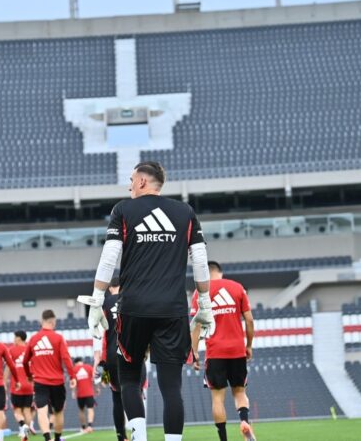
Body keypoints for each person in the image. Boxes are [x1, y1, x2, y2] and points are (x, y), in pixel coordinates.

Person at [81, 161, 214, 441]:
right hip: (172, 310)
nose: (129, 186)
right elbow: (200, 262)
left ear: (142, 181)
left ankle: (139, 438)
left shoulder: (123, 211)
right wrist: (204, 303)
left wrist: (96, 300)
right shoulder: (185, 213)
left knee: (129, 379)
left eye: (131, 180)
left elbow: (108, 258)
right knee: (171, 386)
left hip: (133, 309)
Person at [191, 261, 257, 441]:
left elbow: (196, 325)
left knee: (218, 399)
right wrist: (248, 345)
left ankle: (223, 439)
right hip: (237, 351)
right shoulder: (237, 288)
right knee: (240, 392)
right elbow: (249, 321)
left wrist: (194, 352)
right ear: (220, 272)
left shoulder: (201, 292)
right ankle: (244, 421)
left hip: (215, 353)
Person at [92, 276, 146, 441]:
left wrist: (98, 363)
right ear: (123, 286)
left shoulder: (103, 304)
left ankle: (121, 437)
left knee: (116, 396)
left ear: (110, 289)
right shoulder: (133, 299)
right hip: (133, 354)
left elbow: (98, 335)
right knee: (136, 392)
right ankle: (138, 434)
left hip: (110, 358)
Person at [22, 310, 77, 441]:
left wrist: (29, 375)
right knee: (58, 412)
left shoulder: (33, 339)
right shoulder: (58, 338)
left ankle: (47, 438)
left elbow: (25, 361)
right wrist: (72, 376)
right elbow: (66, 358)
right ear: (52, 322)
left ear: (42, 321)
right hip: (57, 382)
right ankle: (57, 438)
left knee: (41, 410)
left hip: (40, 382)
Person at [6, 330, 36, 438]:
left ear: (18, 338)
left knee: (17, 411)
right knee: (27, 410)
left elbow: (8, 368)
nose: (13, 340)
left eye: (14, 338)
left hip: (17, 385)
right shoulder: (31, 350)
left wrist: (4, 383)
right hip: (29, 385)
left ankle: (23, 426)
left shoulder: (12, 350)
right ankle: (25, 434)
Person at [72, 357, 97, 433]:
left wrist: (73, 392)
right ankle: (90, 426)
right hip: (89, 393)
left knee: (81, 410)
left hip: (80, 394)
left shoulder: (74, 369)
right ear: (82, 361)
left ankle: (83, 427)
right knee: (90, 409)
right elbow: (94, 378)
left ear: (75, 363)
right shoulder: (89, 367)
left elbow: (73, 382)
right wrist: (96, 389)